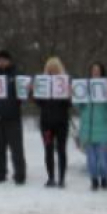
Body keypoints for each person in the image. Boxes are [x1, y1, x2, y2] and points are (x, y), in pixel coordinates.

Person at [77, 62, 107, 191]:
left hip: (103, 129)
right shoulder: (85, 86)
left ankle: (104, 179)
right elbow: (79, 107)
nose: (95, 72)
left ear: (102, 72)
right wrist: (77, 96)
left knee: (103, 159)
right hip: (88, 129)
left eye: (98, 70)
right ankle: (94, 180)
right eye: (93, 70)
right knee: (91, 160)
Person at [0, 50, 26, 185]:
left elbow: (23, 95)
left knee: (16, 148)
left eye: (4, 60)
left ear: (9, 61)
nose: (1, 62)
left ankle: (20, 174)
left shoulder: (17, 74)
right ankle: (0, 172)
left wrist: (26, 89)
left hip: (13, 117)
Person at [36, 57, 72, 188]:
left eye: (55, 69)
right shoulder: (42, 82)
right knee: (48, 149)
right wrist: (34, 92)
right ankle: (51, 177)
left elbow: (69, 104)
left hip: (62, 122)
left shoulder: (65, 81)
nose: (52, 71)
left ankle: (62, 178)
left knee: (62, 150)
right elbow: (38, 103)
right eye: (50, 69)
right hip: (46, 123)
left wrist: (69, 95)